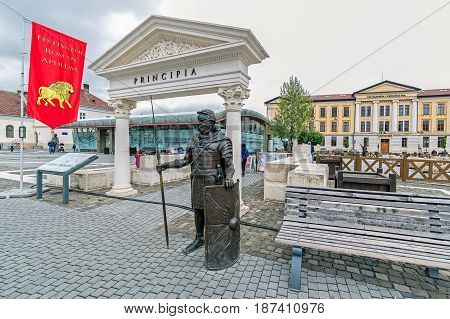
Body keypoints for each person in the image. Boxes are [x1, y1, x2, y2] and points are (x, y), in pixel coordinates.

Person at [157, 109, 234, 255]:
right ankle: (199, 238)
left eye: (201, 121)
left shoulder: (222, 140)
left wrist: (229, 178)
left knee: (214, 212)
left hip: (213, 182)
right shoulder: (194, 140)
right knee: (198, 211)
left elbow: (229, 164)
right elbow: (186, 160)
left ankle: (217, 239)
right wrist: (166, 165)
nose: (197, 124)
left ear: (211, 123)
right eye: (198, 120)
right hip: (197, 180)